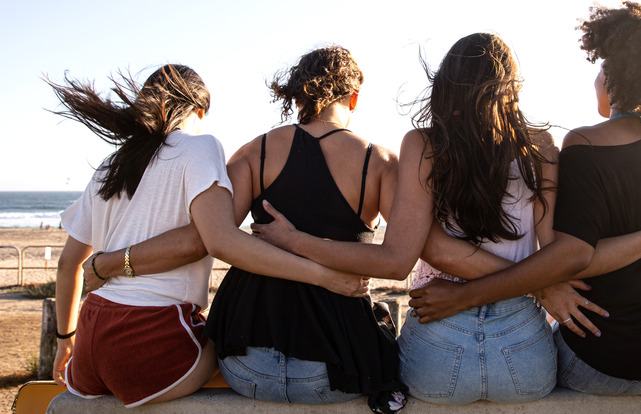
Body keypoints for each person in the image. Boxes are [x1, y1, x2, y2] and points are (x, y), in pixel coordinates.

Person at [254, 32, 641, 404]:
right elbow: (558, 250)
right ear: (511, 87)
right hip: (524, 349)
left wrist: (298, 241)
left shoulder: (423, 144)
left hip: (437, 343)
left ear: (446, 84)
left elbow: (407, 256)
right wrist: (540, 284)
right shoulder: (540, 146)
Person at [408, 0, 641, 395]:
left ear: (611, 76)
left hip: (595, 358)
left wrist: (477, 292)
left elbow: (574, 257)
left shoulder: (583, 144)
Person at [84, 47, 407, 413]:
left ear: (297, 94)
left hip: (244, 361)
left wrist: (110, 262)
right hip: (340, 367)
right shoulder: (380, 163)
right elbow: (395, 261)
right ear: (354, 97)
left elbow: (211, 237)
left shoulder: (255, 152)